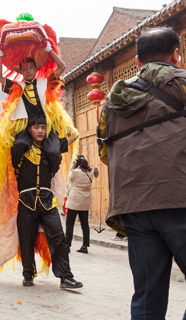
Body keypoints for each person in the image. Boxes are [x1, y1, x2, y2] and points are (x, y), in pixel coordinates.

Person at [98, 27, 186, 319]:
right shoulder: (183, 84)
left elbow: (104, 153)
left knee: (147, 295)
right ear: (176, 54)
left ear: (137, 61)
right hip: (178, 199)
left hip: (133, 206)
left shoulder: (111, 103)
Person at [12, 112, 81, 289]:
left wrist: (56, 123)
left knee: (58, 236)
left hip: (47, 200)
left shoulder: (53, 148)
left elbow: (75, 134)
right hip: (26, 200)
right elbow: (8, 133)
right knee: (26, 239)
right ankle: (28, 273)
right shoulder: (20, 148)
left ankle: (66, 277)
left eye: (43, 127)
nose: (40, 131)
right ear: (30, 129)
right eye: (36, 127)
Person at [65, 154, 98, 254]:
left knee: (69, 224)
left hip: (74, 200)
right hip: (85, 200)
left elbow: (68, 179)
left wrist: (72, 167)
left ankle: (67, 246)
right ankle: (85, 246)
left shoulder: (74, 172)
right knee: (85, 224)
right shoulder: (91, 172)